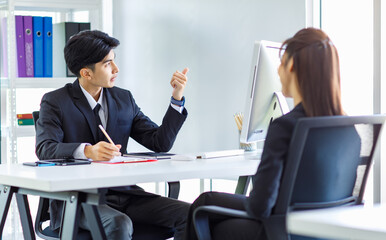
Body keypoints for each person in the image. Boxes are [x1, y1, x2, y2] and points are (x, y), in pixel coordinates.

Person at [183, 27, 344, 240]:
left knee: (203, 209)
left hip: (278, 232)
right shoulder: (348, 130)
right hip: (321, 233)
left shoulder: (285, 127)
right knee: (206, 201)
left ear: (292, 65)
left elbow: (259, 206)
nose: (278, 71)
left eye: (281, 63)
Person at [35, 30, 190, 240]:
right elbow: (45, 148)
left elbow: (159, 142)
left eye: (114, 61)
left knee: (190, 214)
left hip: (125, 194)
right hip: (77, 199)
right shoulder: (56, 101)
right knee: (120, 223)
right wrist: (88, 151)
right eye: (107, 64)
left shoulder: (123, 98)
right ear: (86, 73)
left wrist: (177, 98)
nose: (116, 69)